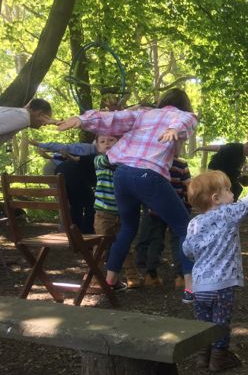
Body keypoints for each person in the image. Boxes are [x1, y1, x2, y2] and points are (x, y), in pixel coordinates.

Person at [56, 88, 198, 296]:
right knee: (184, 227)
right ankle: (191, 288)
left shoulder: (143, 114)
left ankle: (110, 281)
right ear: (184, 105)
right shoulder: (184, 115)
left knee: (128, 228)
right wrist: (173, 128)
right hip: (148, 174)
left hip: (122, 175)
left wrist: (82, 119)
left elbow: (114, 119)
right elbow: (185, 120)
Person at [182, 169, 248, 372]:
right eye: (228, 190)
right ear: (216, 198)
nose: (233, 192)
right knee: (221, 322)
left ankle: (203, 356)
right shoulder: (227, 214)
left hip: (199, 286)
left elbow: (187, 251)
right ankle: (219, 358)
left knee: (203, 322)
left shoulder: (194, 223)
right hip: (222, 284)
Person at [93, 135, 142, 289]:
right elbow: (108, 161)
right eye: (102, 141)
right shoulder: (99, 160)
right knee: (100, 246)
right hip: (104, 212)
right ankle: (94, 278)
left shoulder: (127, 164)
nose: (106, 143)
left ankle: (132, 277)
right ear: (97, 147)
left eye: (111, 140)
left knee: (125, 245)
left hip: (123, 212)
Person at [135, 157, 192, 290]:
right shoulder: (181, 164)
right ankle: (181, 277)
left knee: (155, 240)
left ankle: (151, 275)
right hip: (176, 208)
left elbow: (146, 187)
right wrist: (187, 207)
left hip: (156, 209)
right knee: (178, 240)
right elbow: (188, 188)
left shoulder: (153, 162)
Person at [29, 138, 96, 175]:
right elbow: (65, 150)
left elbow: (64, 149)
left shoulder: (90, 150)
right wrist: (41, 145)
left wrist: (40, 144)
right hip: (56, 168)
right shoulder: (89, 149)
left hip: (57, 168)